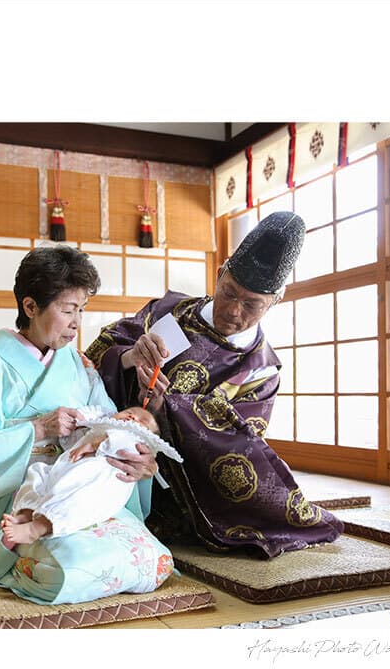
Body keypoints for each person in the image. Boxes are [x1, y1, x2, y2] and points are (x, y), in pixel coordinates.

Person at [0, 245, 176, 605]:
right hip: (20, 501)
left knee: (156, 562)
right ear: (30, 307)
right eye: (67, 310)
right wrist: (38, 430)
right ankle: (13, 553)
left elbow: (112, 428)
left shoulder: (81, 367)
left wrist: (135, 456)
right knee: (72, 565)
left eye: (81, 310)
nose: (77, 322)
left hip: (81, 496)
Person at [85, 211, 344, 559]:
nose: (234, 311)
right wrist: (130, 357)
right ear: (220, 272)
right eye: (228, 292)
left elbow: (238, 441)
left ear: (275, 301)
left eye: (251, 304)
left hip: (179, 481)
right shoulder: (170, 312)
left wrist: (166, 408)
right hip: (111, 438)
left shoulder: (260, 369)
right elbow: (94, 357)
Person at [0, 404, 182, 548]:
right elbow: (75, 434)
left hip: (99, 480)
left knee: (79, 499)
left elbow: (126, 445)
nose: (133, 417)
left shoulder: (136, 439)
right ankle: (26, 513)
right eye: (129, 412)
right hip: (64, 470)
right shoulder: (103, 425)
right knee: (38, 473)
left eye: (143, 422)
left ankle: (37, 528)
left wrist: (97, 444)